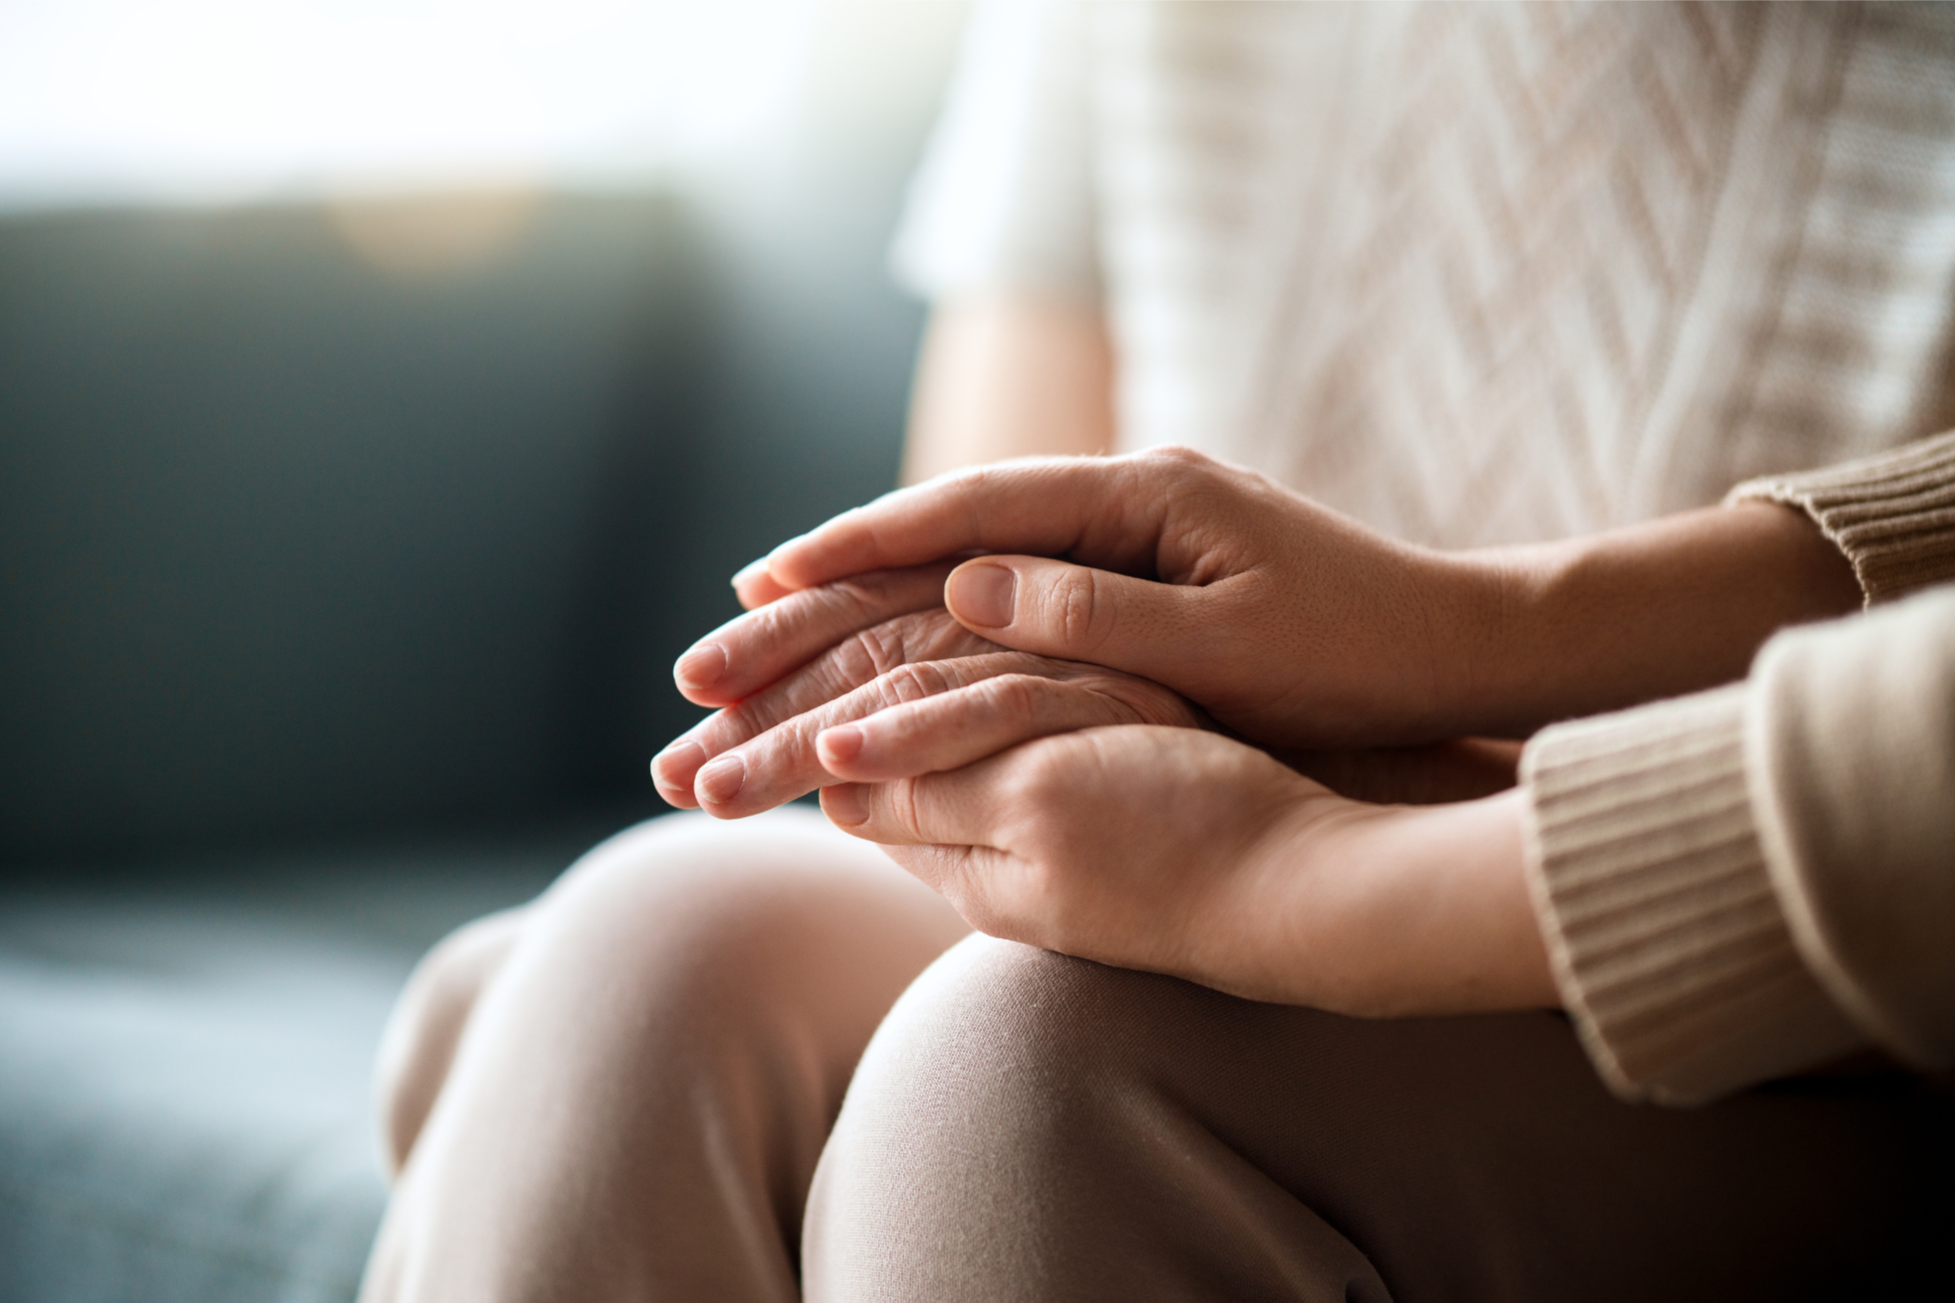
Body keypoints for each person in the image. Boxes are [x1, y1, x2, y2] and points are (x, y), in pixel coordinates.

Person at [359, 4, 1955, 1300]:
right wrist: (1087, 726)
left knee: (1029, 1087)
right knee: (648, 954)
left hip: (1824, 983)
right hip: (1249, 801)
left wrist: (1342, 800)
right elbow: (1000, 511)